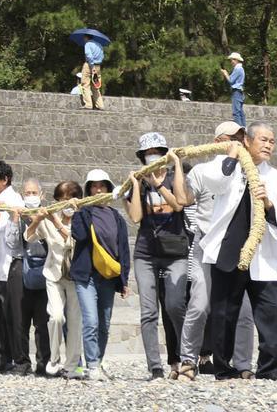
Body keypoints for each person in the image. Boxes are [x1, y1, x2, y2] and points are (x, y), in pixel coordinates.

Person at [198, 121, 277, 382]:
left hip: (262, 256)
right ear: (247, 142)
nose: (268, 145)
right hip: (227, 249)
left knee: (271, 309)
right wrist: (231, 155)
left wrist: (269, 203)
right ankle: (223, 367)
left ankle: (269, 367)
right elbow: (214, 183)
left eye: (272, 141)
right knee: (224, 311)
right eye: (263, 139)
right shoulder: (226, 166)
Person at [178, 121, 254, 381]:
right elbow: (185, 199)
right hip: (205, 245)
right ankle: (188, 360)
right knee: (200, 305)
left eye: (242, 138)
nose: (239, 142)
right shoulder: (202, 171)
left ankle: (242, 363)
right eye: (234, 137)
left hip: (234, 246)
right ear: (218, 141)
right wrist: (177, 165)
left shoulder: (248, 171)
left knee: (243, 309)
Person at [124, 132, 189, 381]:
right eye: (148, 154)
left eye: (157, 152)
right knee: (148, 311)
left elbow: (179, 204)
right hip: (146, 253)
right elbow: (136, 217)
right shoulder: (139, 182)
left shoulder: (173, 177)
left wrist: (161, 182)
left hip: (175, 252)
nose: (152, 157)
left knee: (175, 305)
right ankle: (155, 366)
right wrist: (137, 185)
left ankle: (186, 358)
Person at [71, 169, 131, 382]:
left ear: (108, 188)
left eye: (102, 186)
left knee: (104, 323)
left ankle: (97, 361)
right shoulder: (83, 213)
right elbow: (78, 235)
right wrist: (78, 211)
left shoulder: (117, 217)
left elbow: (123, 249)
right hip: (86, 276)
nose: (98, 190)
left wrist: (124, 280)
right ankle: (92, 365)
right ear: (88, 190)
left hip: (108, 277)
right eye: (94, 186)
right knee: (91, 321)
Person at [25, 181, 83, 378]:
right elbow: (29, 237)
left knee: (74, 321)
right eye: (62, 199)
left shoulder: (82, 218)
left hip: (75, 275)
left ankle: (72, 365)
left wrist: (57, 223)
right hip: (53, 273)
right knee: (56, 316)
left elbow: (73, 241)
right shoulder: (50, 218)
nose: (66, 203)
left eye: (70, 198)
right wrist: (37, 220)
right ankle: (54, 358)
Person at [0, 160, 31, 375]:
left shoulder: (14, 201)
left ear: (4, 179)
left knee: (15, 315)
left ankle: (21, 361)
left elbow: (12, 236)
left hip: (11, 263)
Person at [15, 178, 50, 377]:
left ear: (41, 195)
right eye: (27, 193)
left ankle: (44, 362)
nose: (31, 196)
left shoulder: (49, 214)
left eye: (34, 193)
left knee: (42, 323)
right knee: (21, 322)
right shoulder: (17, 215)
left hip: (45, 272)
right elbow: (14, 241)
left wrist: (39, 219)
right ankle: (22, 362)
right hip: (22, 271)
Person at [221, 52, 246, 128]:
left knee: (236, 111)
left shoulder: (238, 69)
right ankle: (243, 127)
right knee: (240, 111)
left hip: (236, 91)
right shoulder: (240, 68)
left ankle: (239, 128)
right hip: (239, 91)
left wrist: (225, 73)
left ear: (237, 60)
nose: (231, 61)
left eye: (233, 59)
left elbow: (231, 80)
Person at [81, 37, 104, 110]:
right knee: (96, 86)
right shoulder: (99, 45)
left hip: (89, 65)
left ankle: (88, 104)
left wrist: (92, 65)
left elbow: (88, 55)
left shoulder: (88, 44)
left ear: (86, 37)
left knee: (85, 84)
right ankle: (100, 105)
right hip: (98, 66)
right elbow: (102, 56)